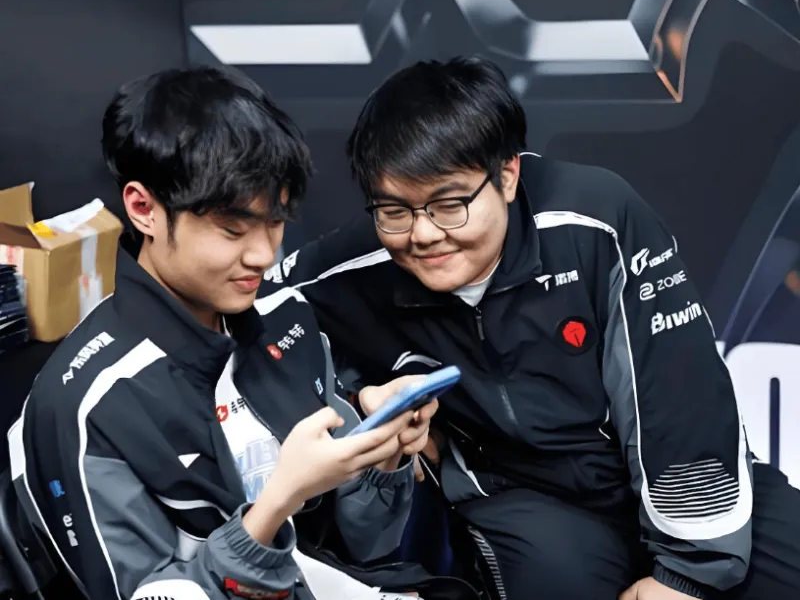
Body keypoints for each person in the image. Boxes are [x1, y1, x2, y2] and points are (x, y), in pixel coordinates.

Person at [261, 57, 800, 600]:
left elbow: (681, 396)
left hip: (658, 476)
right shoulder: (357, 260)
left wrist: (685, 575)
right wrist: (360, 397)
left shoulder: (595, 217)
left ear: (507, 175)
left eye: (449, 204)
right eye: (394, 209)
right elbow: (255, 314)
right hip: (522, 498)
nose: (422, 234)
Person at [6, 66, 439, 600]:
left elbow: (369, 546)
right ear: (144, 209)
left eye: (275, 222)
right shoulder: (85, 406)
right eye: (233, 230)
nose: (263, 255)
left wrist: (382, 451)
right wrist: (276, 504)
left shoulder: (288, 316)